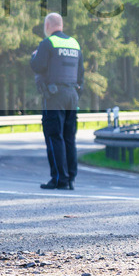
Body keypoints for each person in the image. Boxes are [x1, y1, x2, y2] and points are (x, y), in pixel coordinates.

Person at [30, 12, 84, 191]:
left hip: (54, 96)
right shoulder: (74, 44)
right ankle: (71, 179)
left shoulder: (48, 43)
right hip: (72, 94)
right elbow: (81, 74)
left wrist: (34, 56)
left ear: (47, 26)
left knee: (54, 136)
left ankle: (59, 178)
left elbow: (37, 66)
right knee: (69, 137)